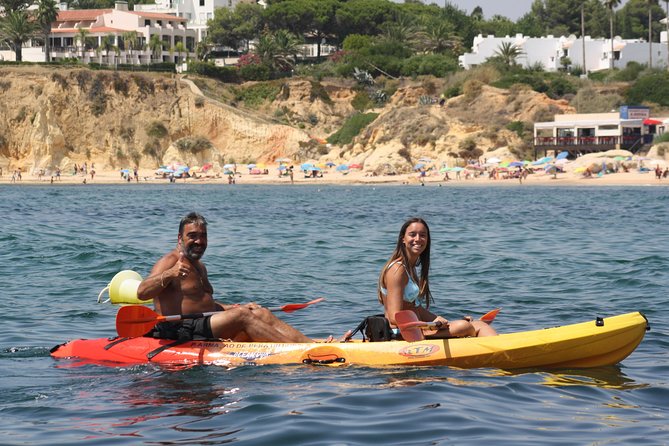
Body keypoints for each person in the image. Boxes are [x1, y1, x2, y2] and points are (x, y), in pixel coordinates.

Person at [136, 212, 313, 343]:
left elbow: (201, 303)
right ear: (180, 238)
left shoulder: (199, 265)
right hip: (179, 328)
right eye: (192, 236)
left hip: (202, 323)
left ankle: (311, 345)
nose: (199, 241)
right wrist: (170, 273)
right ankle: (299, 353)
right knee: (242, 316)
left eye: (203, 236)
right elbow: (142, 292)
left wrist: (232, 307)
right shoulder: (170, 261)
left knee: (261, 313)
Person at [378, 218, 497, 339]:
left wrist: (441, 322)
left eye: (423, 235)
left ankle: (496, 350)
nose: (418, 239)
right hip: (402, 334)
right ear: (403, 239)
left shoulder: (410, 268)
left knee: (476, 324)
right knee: (465, 327)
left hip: (416, 331)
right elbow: (394, 317)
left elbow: (416, 309)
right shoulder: (397, 270)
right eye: (412, 234)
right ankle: (501, 353)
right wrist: (431, 325)